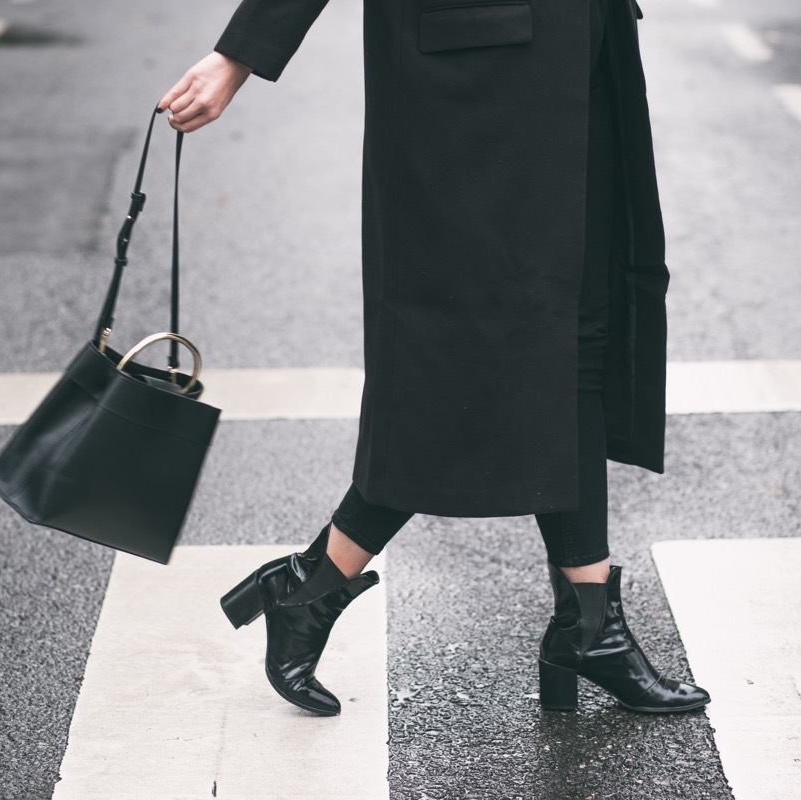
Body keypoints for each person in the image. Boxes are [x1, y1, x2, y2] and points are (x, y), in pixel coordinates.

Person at [158, 0, 709, 717]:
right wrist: (242, 52)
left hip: (580, 51)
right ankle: (316, 586)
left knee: (575, 334)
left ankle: (589, 623)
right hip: (468, 81)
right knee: (457, 361)